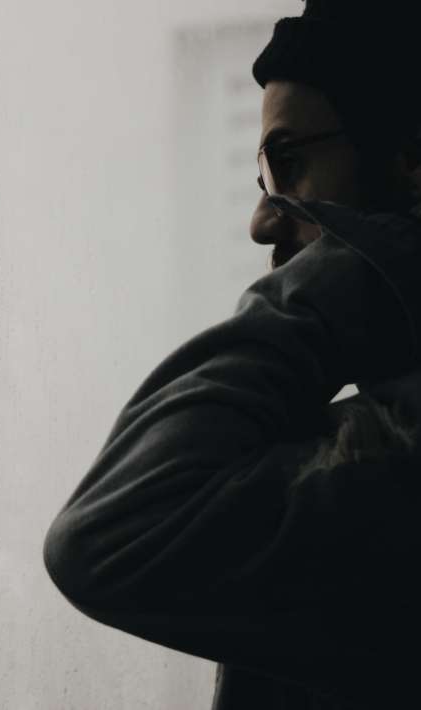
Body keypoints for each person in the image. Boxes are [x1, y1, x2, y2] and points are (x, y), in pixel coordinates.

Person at [43, 1, 421, 708]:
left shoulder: (398, 456)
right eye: (262, 179)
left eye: (290, 163)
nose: (261, 221)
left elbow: (106, 537)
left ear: (411, 162)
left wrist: (368, 264)